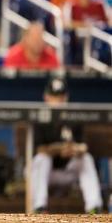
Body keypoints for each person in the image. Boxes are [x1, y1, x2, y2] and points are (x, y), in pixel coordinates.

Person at [31, 77, 103, 213]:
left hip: (69, 172)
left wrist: (74, 149)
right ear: (46, 97)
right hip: (48, 173)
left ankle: (93, 208)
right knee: (41, 159)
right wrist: (59, 149)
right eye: (54, 97)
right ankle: (39, 207)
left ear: (66, 97)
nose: (58, 101)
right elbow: (39, 149)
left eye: (61, 97)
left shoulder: (74, 116)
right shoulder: (40, 117)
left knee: (86, 159)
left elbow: (84, 147)